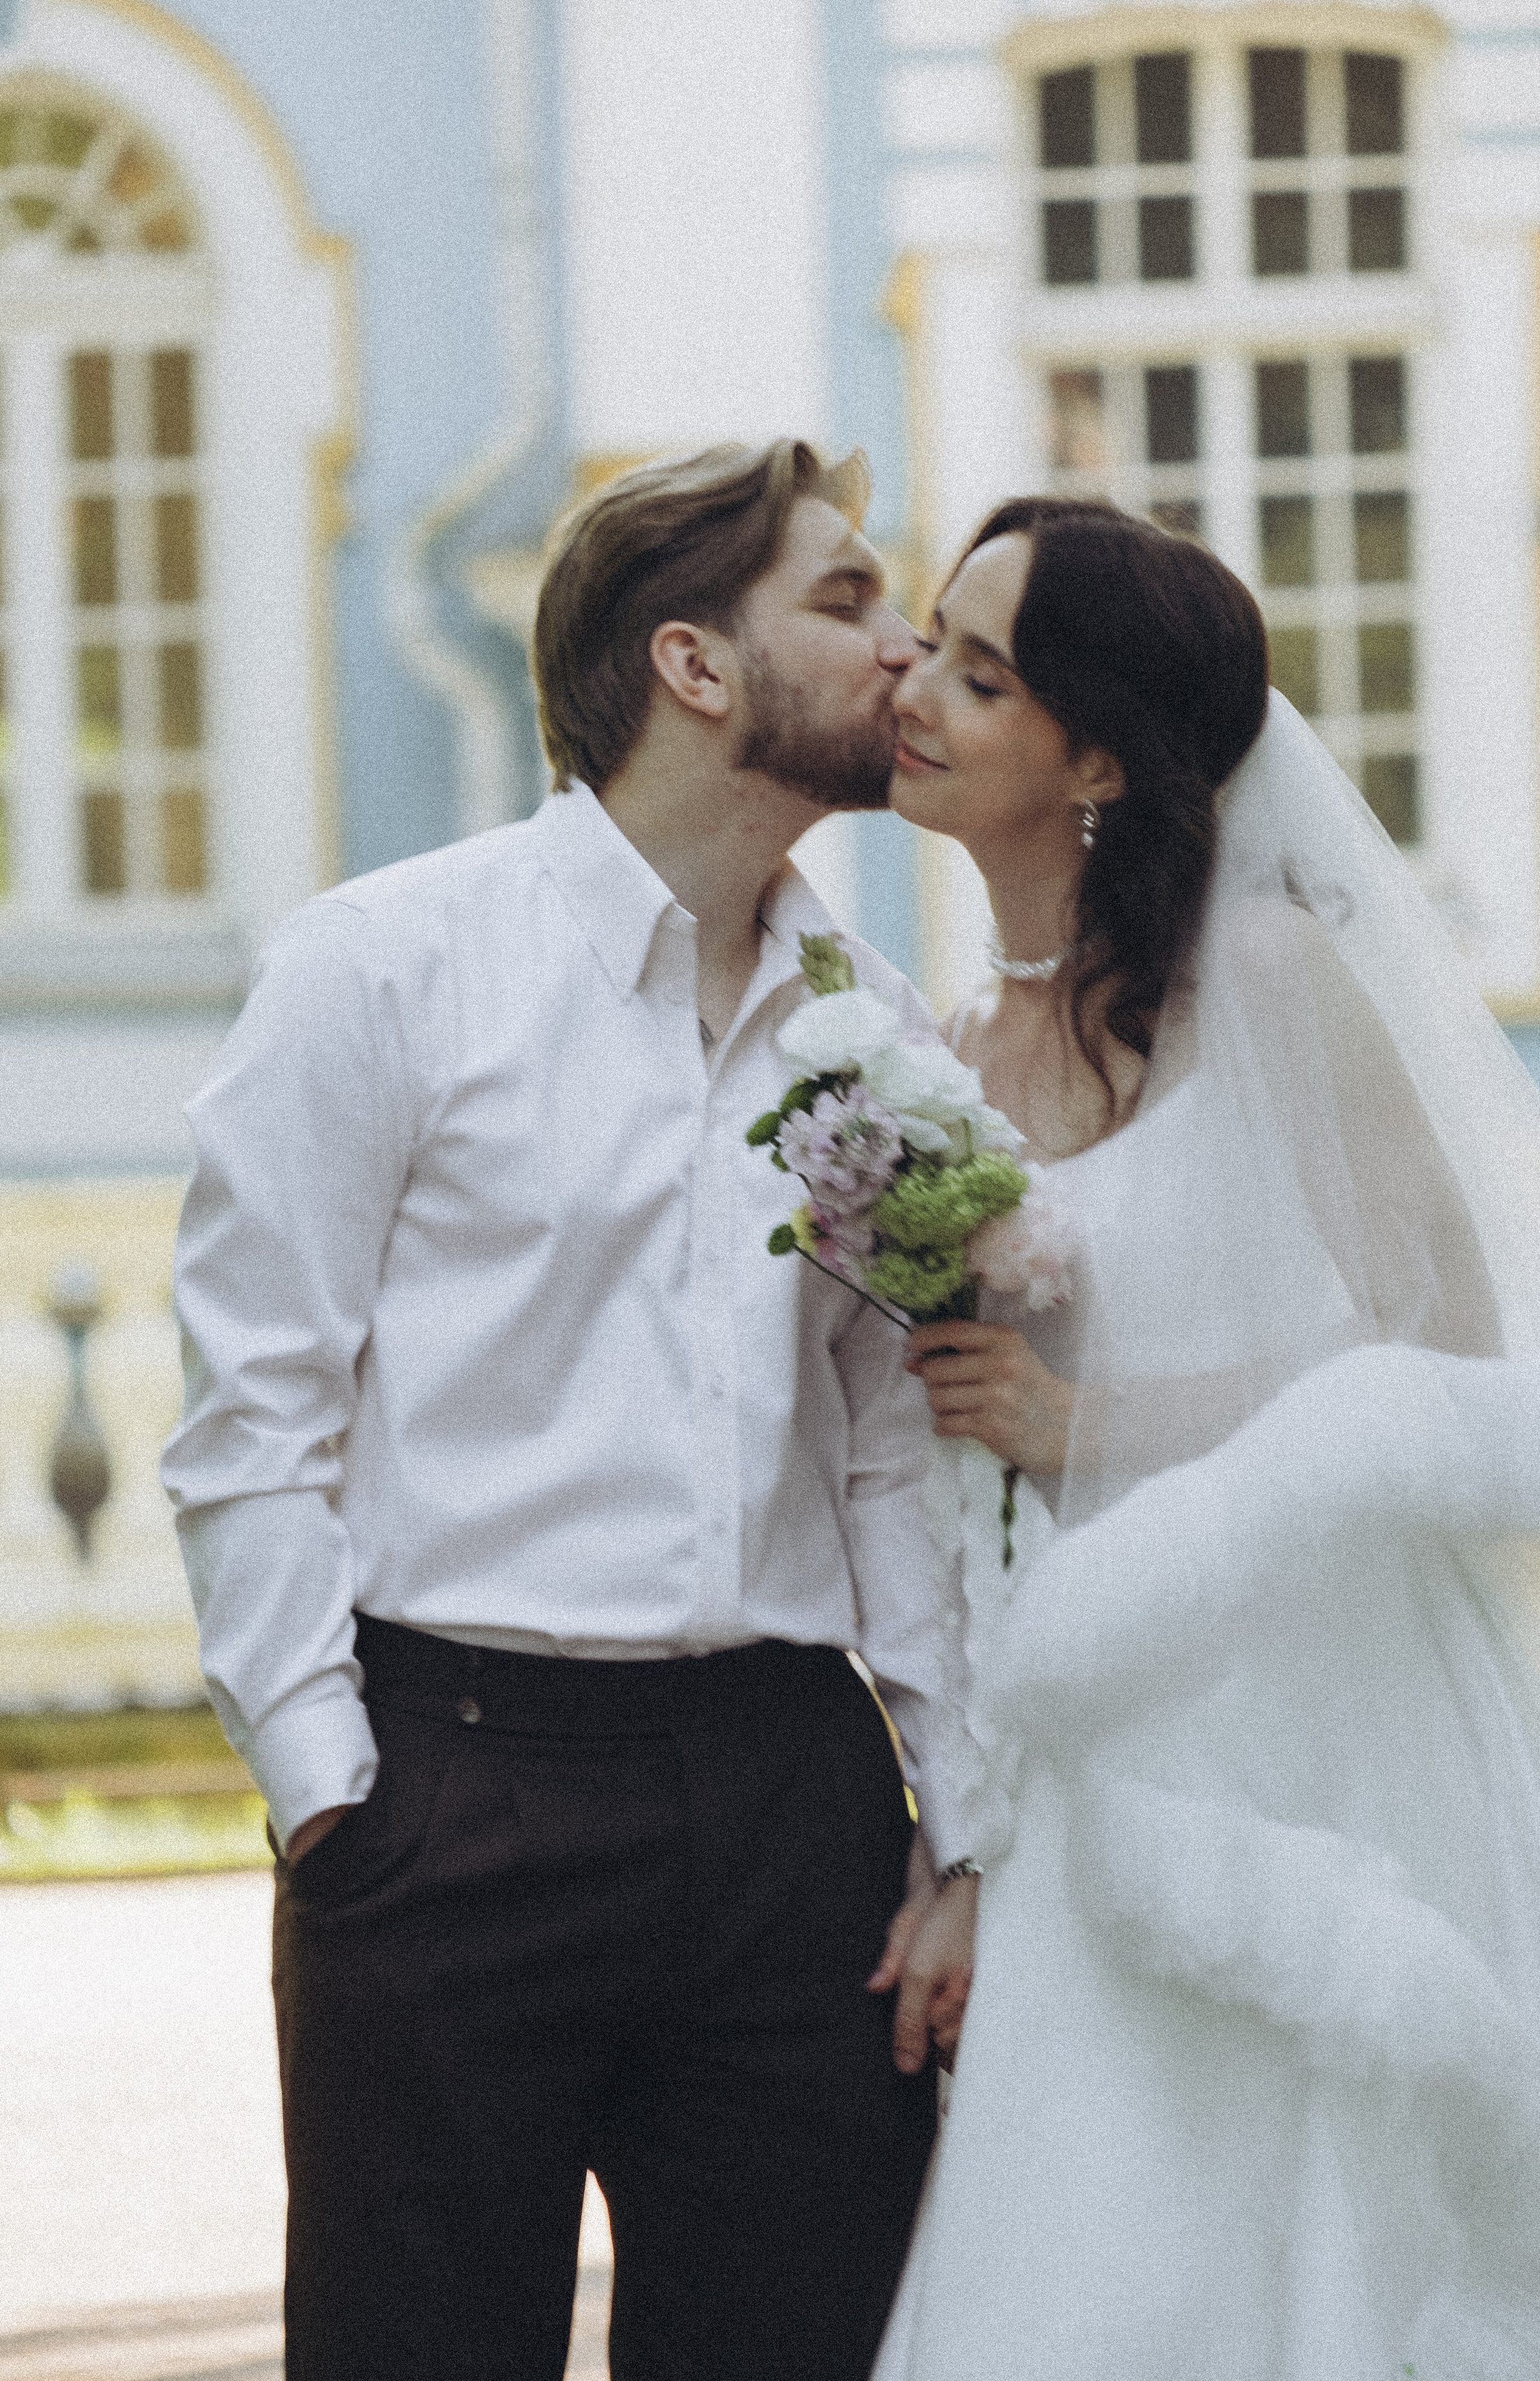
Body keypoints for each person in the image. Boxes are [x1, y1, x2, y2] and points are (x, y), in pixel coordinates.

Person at [161, 440, 983, 2381]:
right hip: (452, 1793)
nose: (907, 647)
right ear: (695, 666)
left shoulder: (878, 1024)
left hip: (794, 1818)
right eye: (850, 599)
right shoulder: (381, 969)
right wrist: (329, 1799)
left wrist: (963, 1824)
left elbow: (889, 1445)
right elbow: (253, 1409)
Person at [872, 497, 1540, 2379]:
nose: (915, 690)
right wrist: (971, 1843)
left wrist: (1103, 1420)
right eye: (929, 642)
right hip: (1087, 1746)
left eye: (977, 673)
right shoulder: (934, 1061)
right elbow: (956, 1505)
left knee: (1314, 2239)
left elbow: (1449, 1346)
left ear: (1093, 757)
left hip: (1306, 1721)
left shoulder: (1260, 973)